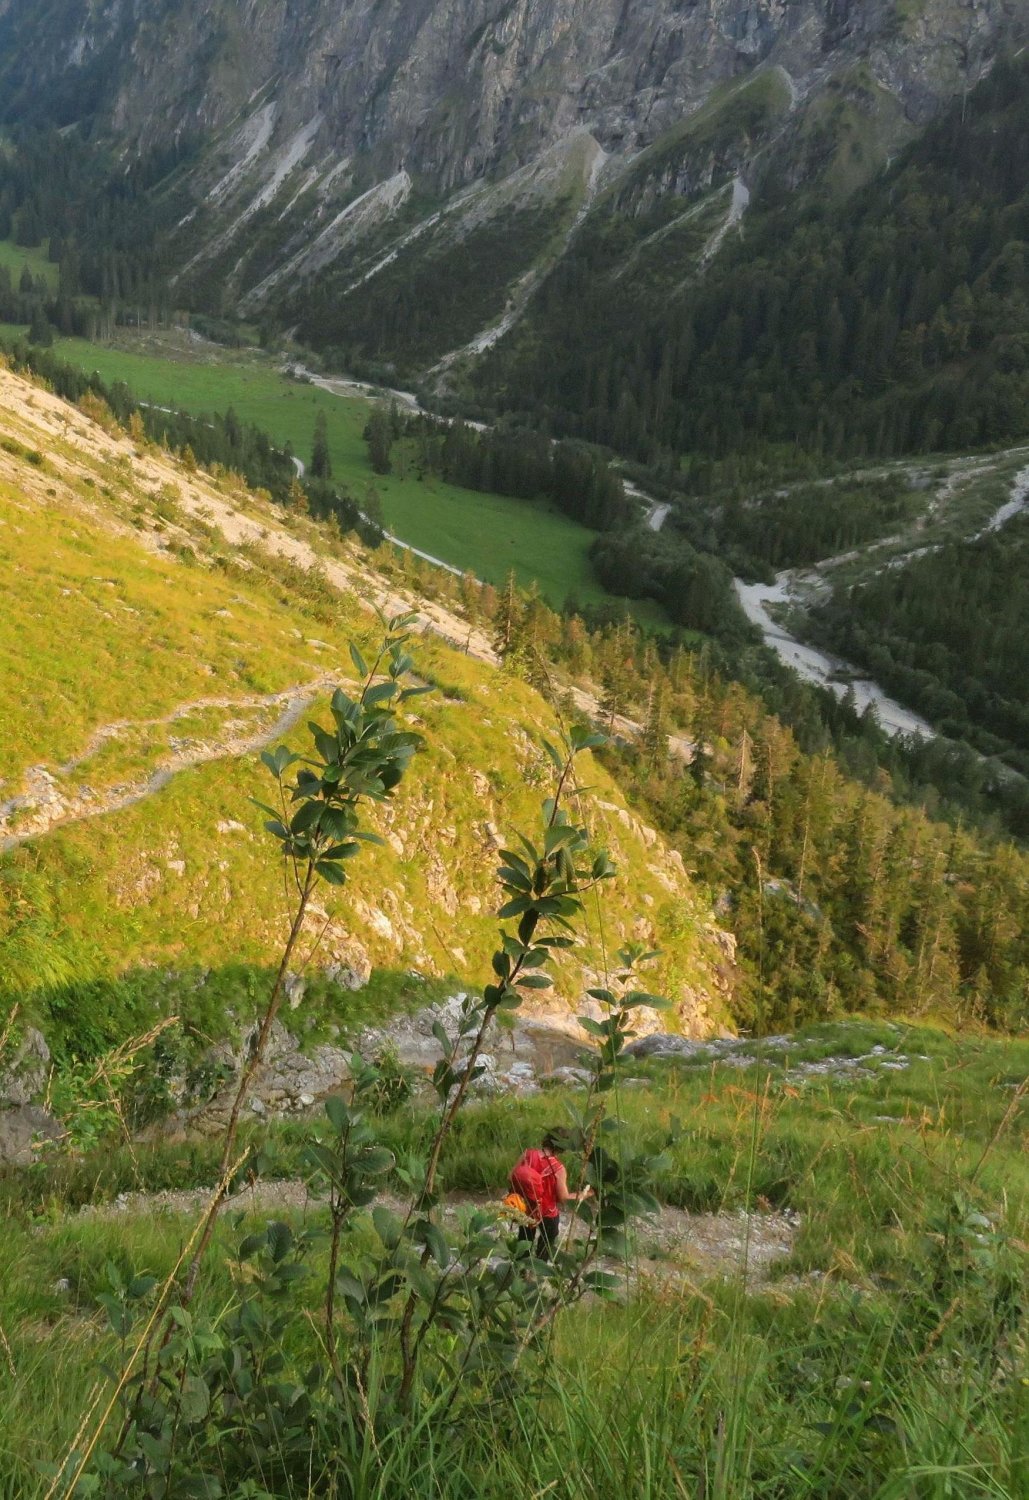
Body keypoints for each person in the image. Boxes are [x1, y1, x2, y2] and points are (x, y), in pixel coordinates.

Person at [508, 1130, 592, 1261]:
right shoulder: (558, 1168)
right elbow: (565, 1199)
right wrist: (588, 1193)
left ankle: (520, 1269)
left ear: (546, 1139)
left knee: (524, 1243)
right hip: (548, 1214)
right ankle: (538, 1269)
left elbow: (510, 1177)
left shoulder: (527, 1154)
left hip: (526, 1210)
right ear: (563, 1146)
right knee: (545, 1246)